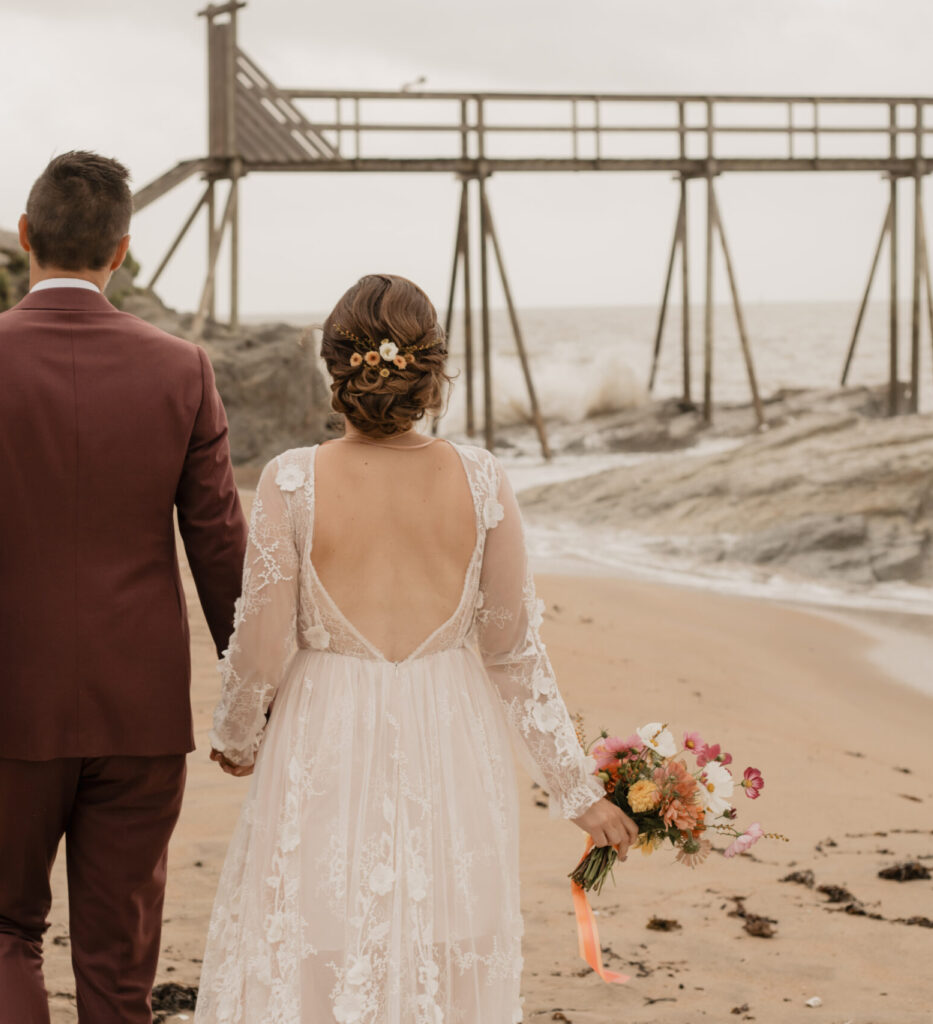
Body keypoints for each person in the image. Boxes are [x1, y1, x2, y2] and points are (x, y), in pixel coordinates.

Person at [195, 274, 638, 1023]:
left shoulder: (292, 481)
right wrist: (575, 790)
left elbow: (262, 640)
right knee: (441, 942)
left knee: (316, 935)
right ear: (433, 372)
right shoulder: (482, 478)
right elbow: (512, 651)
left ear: (334, 369)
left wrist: (237, 736)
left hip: (324, 729)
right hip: (449, 734)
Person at [0, 150, 248, 1024]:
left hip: (7, 711)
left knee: (1, 926)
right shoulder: (184, 369)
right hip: (141, 711)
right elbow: (220, 542)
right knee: (120, 964)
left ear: (24, 237)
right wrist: (255, 692)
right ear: (122, 251)